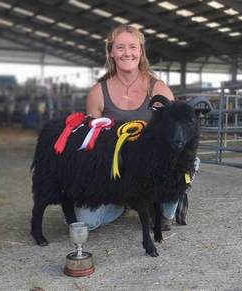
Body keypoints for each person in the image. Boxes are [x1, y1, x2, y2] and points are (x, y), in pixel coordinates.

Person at [75, 24, 182, 231]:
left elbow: (174, 132)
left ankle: (162, 209)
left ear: (140, 52)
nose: (127, 53)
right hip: (114, 168)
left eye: (133, 47)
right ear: (111, 53)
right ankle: (122, 202)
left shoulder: (158, 89)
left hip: (152, 168)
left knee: (189, 161)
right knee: (84, 222)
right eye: (120, 47)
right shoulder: (98, 92)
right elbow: (91, 141)